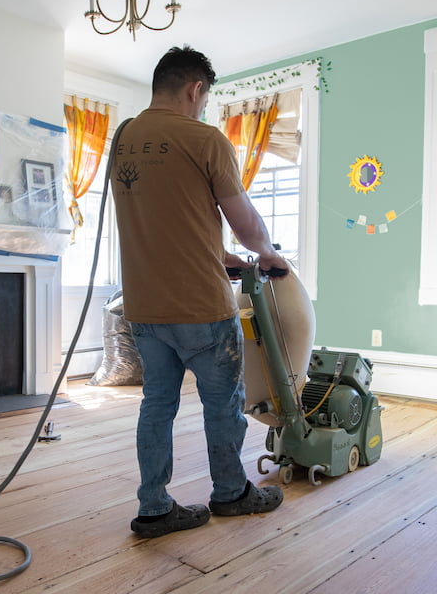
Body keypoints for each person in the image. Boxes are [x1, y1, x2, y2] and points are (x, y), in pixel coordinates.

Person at [110, 45, 290, 538]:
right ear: (195, 89)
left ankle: (153, 508)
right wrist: (267, 252)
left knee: (156, 405)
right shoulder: (204, 138)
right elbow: (247, 225)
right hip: (201, 310)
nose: (203, 106)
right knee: (222, 406)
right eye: (204, 98)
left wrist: (220, 255)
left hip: (144, 308)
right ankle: (231, 493)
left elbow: (169, 221)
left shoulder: (123, 138)